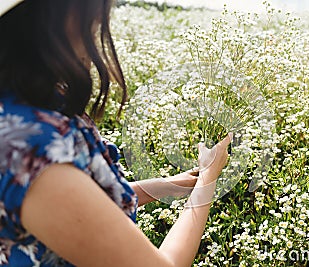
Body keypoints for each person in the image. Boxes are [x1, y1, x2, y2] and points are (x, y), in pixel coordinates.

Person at [0, 0, 231, 266]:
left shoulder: (21, 109)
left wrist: (170, 185)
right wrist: (208, 180)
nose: (102, 16)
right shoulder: (28, 145)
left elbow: (76, 206)